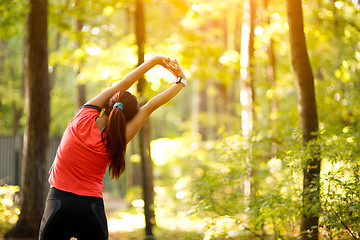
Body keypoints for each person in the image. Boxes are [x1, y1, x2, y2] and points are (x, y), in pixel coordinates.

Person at [38, 56, 187, 240]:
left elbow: (124, 83)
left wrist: (155, 61)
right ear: (127, 120)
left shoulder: (83, 116)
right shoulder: (117, 140)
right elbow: (149, 107)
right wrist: (180, 82)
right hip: (91, 208)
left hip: (58, 202)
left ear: (108, 104)